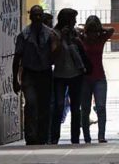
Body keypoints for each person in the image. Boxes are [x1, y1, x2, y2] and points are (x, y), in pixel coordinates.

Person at [13, 5, 59, 145]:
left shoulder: (50, 34)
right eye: (35, 15)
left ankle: (42, 136)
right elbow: (17, 57)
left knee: (44, 106)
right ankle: (31, 136)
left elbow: (56, 56)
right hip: (30, 74)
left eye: (40, 15)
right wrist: (14, 79)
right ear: (31, 17)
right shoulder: (24, 35)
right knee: (31, 103)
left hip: (45, 73)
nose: (38, 18)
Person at [50, 8, 87, 144]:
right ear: (67, 20)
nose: (75, 22)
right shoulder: (54, 33)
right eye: (73, 19)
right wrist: (61, 39)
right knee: (59, 105)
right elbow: (53, 55)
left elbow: (83, 50)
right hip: (60, 75)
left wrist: (78, 40)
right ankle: (54, 137)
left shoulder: (75, 33)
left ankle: (75, 138)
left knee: (75, 108)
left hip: (76, 74)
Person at [80, 15, 115, 144]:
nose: (93, 34)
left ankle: (101, 135)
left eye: (95, 31)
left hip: (100, 77)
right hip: (85, 78)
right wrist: (85, 31)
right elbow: (75, 31)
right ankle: (87, 137)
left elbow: (111, 30)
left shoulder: (101, 39)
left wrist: (100, 28)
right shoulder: (82, 39)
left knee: (101, 107)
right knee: (85, 109)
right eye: (91, 31)